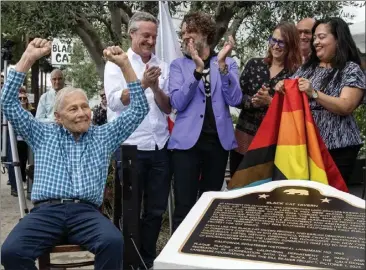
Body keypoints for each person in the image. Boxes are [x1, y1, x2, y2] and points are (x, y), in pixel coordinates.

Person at [1, 38, 150, 269]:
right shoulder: (42, 133)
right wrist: (27, 58)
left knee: (112, 242)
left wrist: (125, 65)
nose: (82, 113)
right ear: (58, 117)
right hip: (46, 212)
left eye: (85, 106)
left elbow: (140, 108)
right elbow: (8, 103)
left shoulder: (103, 135)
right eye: (73, 109)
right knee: (11, 252)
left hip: (86, 213)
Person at [104, 11, 171, 269]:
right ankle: (128, 261)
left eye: (154, 36)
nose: (151, 41)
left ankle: (146, 259)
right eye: (146, 35)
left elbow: (167, 109)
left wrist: (156, 87)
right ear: (132, 34)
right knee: (129, 210)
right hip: (129, 146)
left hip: (159, 146)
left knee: (155, 210)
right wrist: (142, 83)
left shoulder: (162, 65)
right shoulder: (116, 63)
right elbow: (114, 102)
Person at [168, 12, 242, 232]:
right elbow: (178, 102)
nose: (185, 37)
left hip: (217, 144)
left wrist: (221, 67)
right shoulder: (178, 66)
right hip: (185, 146)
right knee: (184, 206)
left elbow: (236, 99)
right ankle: (177, 262)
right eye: (183, 33)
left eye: (190, 32)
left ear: (206, 34)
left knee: (210, 206)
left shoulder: (227, 62)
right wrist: (198, 71)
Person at [275, 17, 366, 184]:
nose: (316, 42)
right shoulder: (307, 68)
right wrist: (282, 87)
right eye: (315, 37)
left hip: (339, 149)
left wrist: (314, 93)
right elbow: (291, 92)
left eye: (322, 37)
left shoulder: (351, 69)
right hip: (306, 147)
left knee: (330, 203)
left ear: (338, 39)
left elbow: (346, 105)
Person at [230, 22, 302, 176]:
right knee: (237, 188)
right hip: (243, 139)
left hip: (273, 143)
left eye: (281, 42)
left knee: (265, 192)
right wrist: (253, 102)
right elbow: (236, 98)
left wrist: (270, 102)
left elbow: (295, 112)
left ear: (291, 45)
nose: (276, 46)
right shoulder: (254, 64)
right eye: (273, 40)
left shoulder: (295, 74)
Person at [7, 87, 36, 197]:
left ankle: (27, 184)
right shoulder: (14, 112)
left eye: (25, 98)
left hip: (27, 141)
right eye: (20, 98)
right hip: (16, 141)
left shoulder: (31, 111)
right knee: (15, 162)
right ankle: (15, 186)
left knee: (25, 163)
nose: (23, 100)